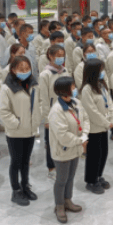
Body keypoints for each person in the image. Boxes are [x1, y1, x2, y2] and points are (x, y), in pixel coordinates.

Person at [0, 56, 41, 206]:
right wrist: (16, 123)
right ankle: (16, 190)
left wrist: (36, 120)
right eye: (21, 69)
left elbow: (39, 103)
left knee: (25, 161)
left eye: (27, 68)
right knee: (16, 161)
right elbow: (2, 111)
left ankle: (25, 186)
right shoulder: (7, 88)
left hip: (30, 130)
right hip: (15, 132)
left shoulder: (33, 84)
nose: (25, 71)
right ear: (13, 70)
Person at [47, 76, 87, 224]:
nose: (75, 89)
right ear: (64, 90)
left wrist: (84, 135)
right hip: (63, 150)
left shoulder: (75, 103)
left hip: (75, 148)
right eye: (73, 87)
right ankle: (59, 206)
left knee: (70, 177)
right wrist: (81, 141)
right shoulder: (56, 111)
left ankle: (68, 200)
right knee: (61, 179)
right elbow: (63, 136)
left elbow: (84, 119)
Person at [80, 59, 113, 194]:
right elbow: (92, 111)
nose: (103, 72)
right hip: (94, 128)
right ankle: (91, 181)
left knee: (103, 153)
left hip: (104, 127)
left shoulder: (101, 85)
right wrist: (107, 123)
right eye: (100, 70)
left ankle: (99, 176)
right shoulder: (87, 90)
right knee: (93, 155)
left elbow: (110, 104)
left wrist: (112, 119)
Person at [39, 45, 69, 179]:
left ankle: (62, 164)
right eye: (58, 56)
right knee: (51, 142)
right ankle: (51, 168)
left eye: (63, 55)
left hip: (65, 111)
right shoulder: (45, 74)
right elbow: (44, 98)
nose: (61, 58)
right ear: (50, 56)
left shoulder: (65, 71)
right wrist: (46, 118)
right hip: (52, 113)